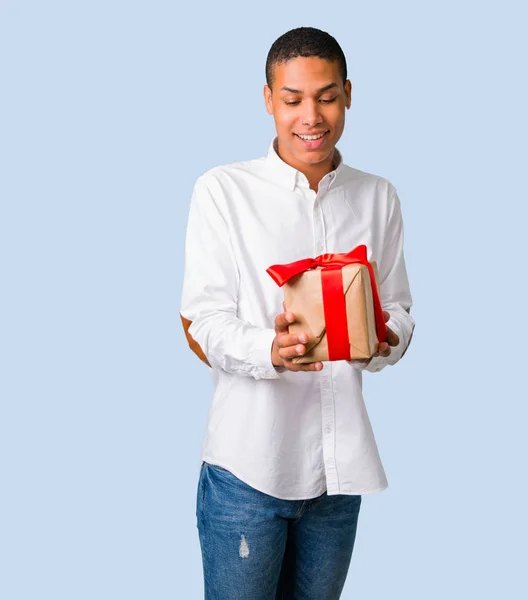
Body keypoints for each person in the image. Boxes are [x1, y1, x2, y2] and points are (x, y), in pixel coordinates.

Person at [180, 26, 415, 600]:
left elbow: (401, 309)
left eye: (327, 96)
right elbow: (200, 322)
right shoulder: (222, 191)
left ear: (349, 94)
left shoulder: (377, 195)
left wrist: (385, 338)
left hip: (339, 475)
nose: (311, 116)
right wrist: (270, 350)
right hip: (248, 472)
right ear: (268, 100)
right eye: (292, 100)